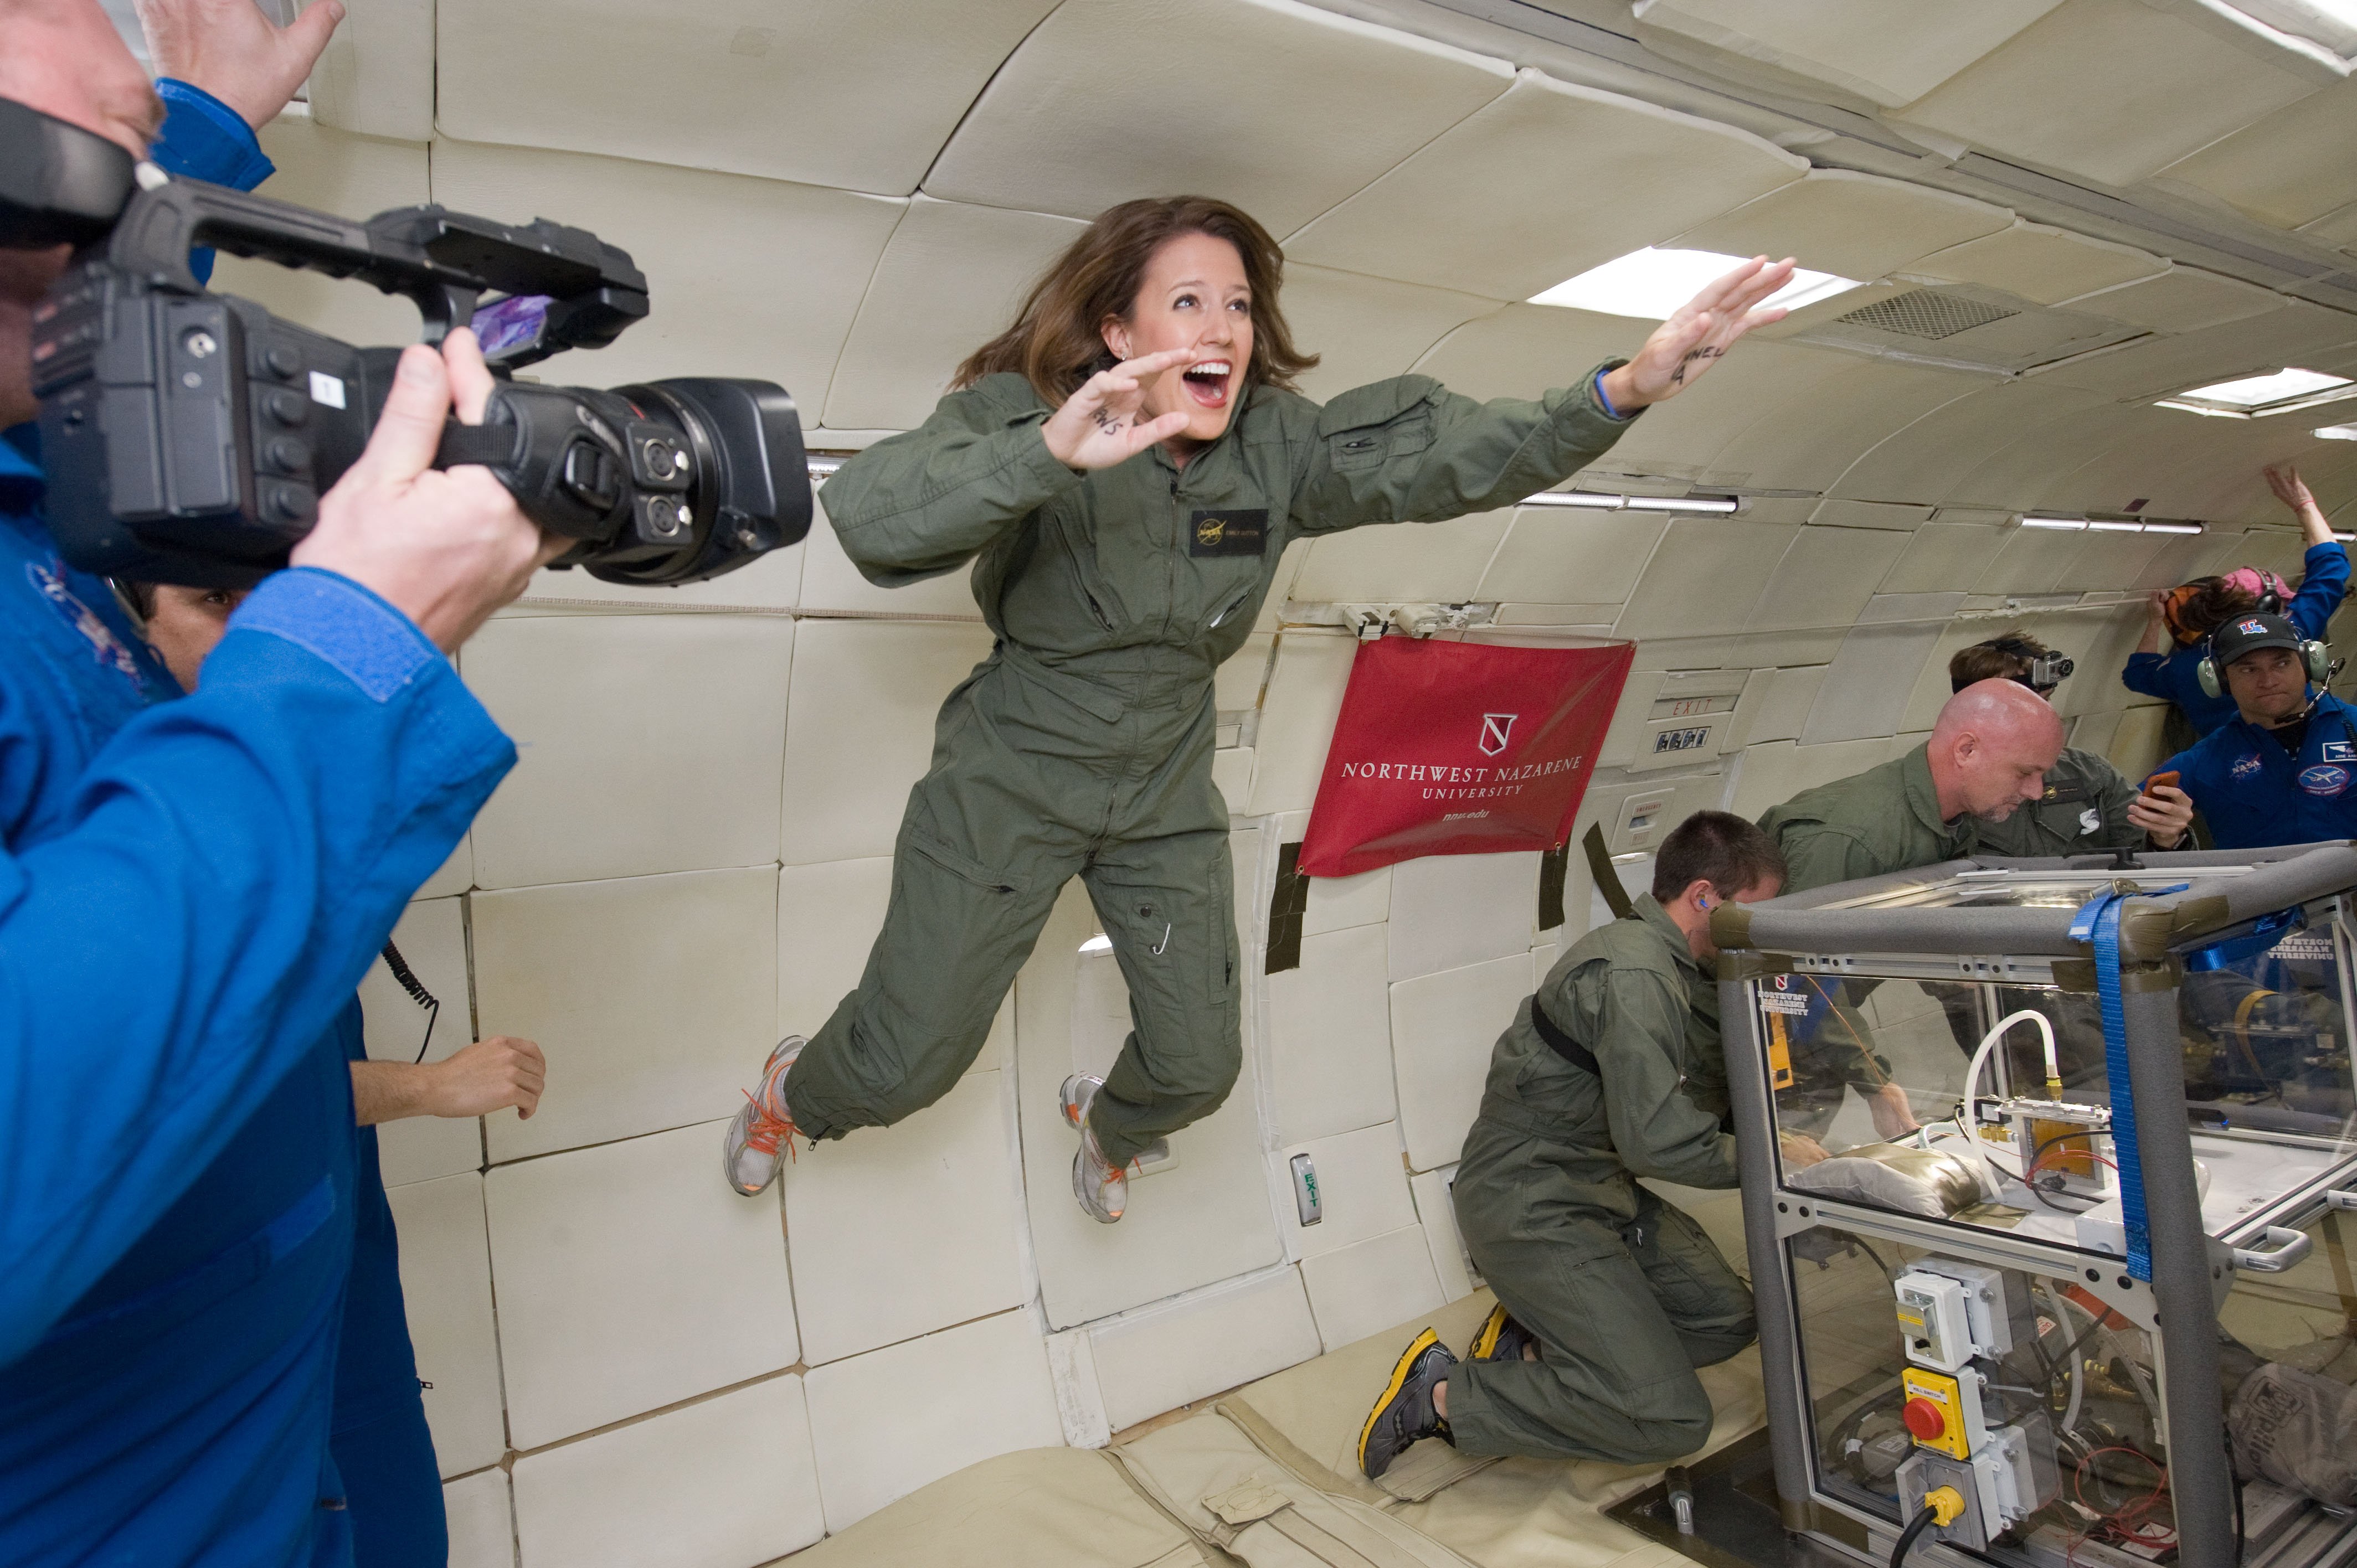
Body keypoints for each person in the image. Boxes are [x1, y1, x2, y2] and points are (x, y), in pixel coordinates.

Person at [721, 194, 1800, 1221]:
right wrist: (1050, 452)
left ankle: (1108, 1130)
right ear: (1116, 327)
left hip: (1159, 786)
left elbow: (1439, 456)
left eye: (1237, 303)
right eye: (1187, 300)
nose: (1222, 327)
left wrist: (1622, 389)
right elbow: (873, 519)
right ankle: (794, 1093)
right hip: (1014, 767)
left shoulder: (1272, 449)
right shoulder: (1029, 418)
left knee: (1200, 1064)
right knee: (909, 1062)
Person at [0, 3, 557, 1562]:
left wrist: (189, 135)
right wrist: (345, 660)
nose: (129, 229)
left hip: (292, 1324)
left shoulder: (42, 444)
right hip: (110, 1486)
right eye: (73, 182)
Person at [130, 576, 551, 1568]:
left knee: (396, 1521)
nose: (252, 644)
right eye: (211, 601)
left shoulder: (251, 780)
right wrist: (432, 1086)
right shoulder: (125, 825)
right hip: (211, 1277)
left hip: (331, 1236)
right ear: (126, 617)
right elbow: (191, 1084)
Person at [1356, 812, 1805, 1477]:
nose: (1756, 930)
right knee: (1670, 1420)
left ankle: (1539, 1353)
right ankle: (1445, 1395)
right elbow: (1657, 1142)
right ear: (1705, 896)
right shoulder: (1636, 976)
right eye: (1753, 911)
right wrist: (1776, 1162)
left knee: (1725, 1320)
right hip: (1530, 1204)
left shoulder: (1670, 967)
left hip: (1594, 1188)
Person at [1751, 679, 2076, 1140]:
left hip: (1820, 1035)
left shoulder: (1948, 822)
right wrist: (1877, 1084)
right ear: (1966, 750)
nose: (2037, 791)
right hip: (1772, 1040)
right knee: (1790, 1169)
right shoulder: (1852, 838)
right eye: (2025, 772)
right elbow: (1792, 982)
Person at [2124, 465, 2348, 738]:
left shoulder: (2186, 668)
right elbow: (2331, 568)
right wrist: (2305, 507)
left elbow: (2137, 673)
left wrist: (2155, 621)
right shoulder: (2294, 632)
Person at [1948, 632, 2193, 858]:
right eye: (2022, 707)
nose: (2046, 715)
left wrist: (2168, 838)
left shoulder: (2089, 773)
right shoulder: (1944, 789)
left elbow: (2145, 861)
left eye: (2046, 701)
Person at [2154, 611, 2357, 850]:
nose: (2268, 681)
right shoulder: (2205, 760)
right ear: (2220, 680)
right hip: (2258, 887)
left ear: (2309, 665)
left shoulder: (2351, 726)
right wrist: (2164, 838)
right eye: (2248, 670)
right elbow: (2128, 820)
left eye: (2282, 663)